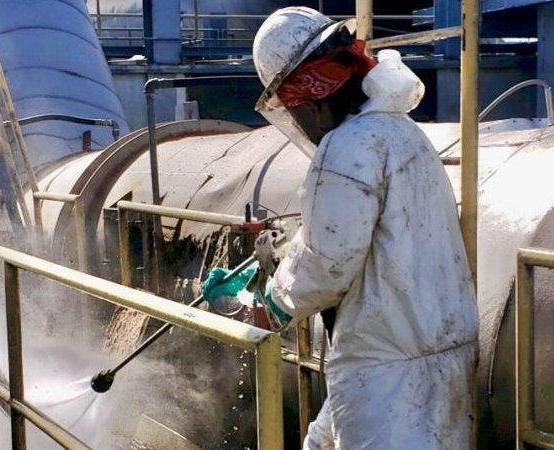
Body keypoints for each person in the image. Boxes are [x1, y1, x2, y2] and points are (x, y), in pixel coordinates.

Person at [202, 7, 478, 450]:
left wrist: (263, 304)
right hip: (429, 351)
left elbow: (328, 265)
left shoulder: (347, 146)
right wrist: (288, 258)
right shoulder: (401, 133)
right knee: (320, 442)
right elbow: (350, 241)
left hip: (388, 374)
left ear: (309, 100)